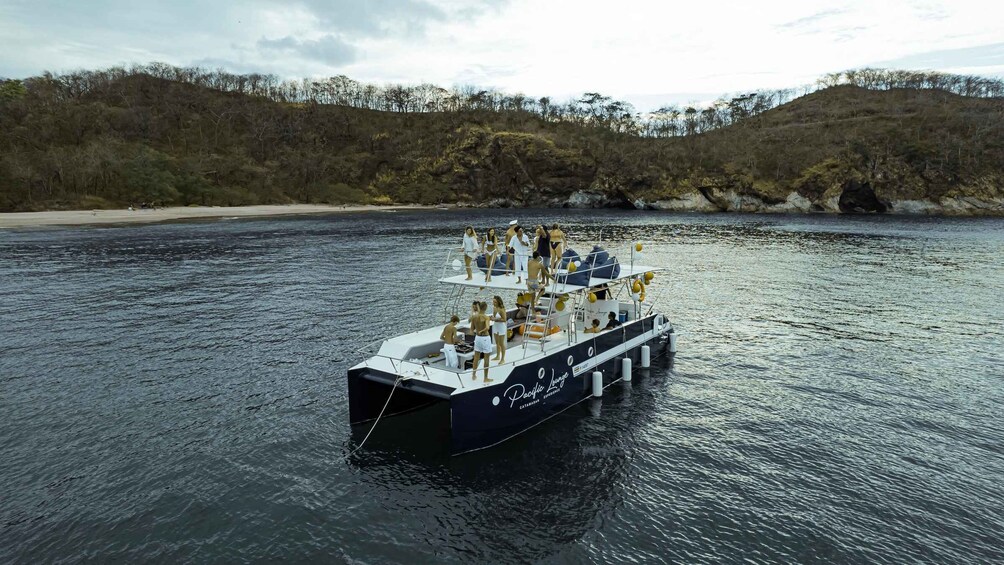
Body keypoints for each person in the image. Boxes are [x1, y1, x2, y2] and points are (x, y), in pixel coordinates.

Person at [471, 301, 493, 383]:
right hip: (485, 338)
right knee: (486, 358)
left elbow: (471, 329)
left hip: (477, 338)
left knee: (476, 357)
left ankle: (473, 375)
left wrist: (478, 331)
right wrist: (481, 331)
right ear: (486, 308)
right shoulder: (486, 317)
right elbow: (487, 328)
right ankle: (485, 378)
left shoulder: (474, 317)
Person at [491, 295, 507, 363]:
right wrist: (492, 318)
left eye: (495, 302)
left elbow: (504, 319)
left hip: (501, 327)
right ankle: (497, 356)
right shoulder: (494, 308)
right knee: (497, 342)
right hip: (496, 326)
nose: (493, 303)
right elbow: (494, 317)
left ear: (498, 302)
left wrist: (495, 319)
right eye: (493, 302)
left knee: (501, 343)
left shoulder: (501, 309)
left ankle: (502, 359)